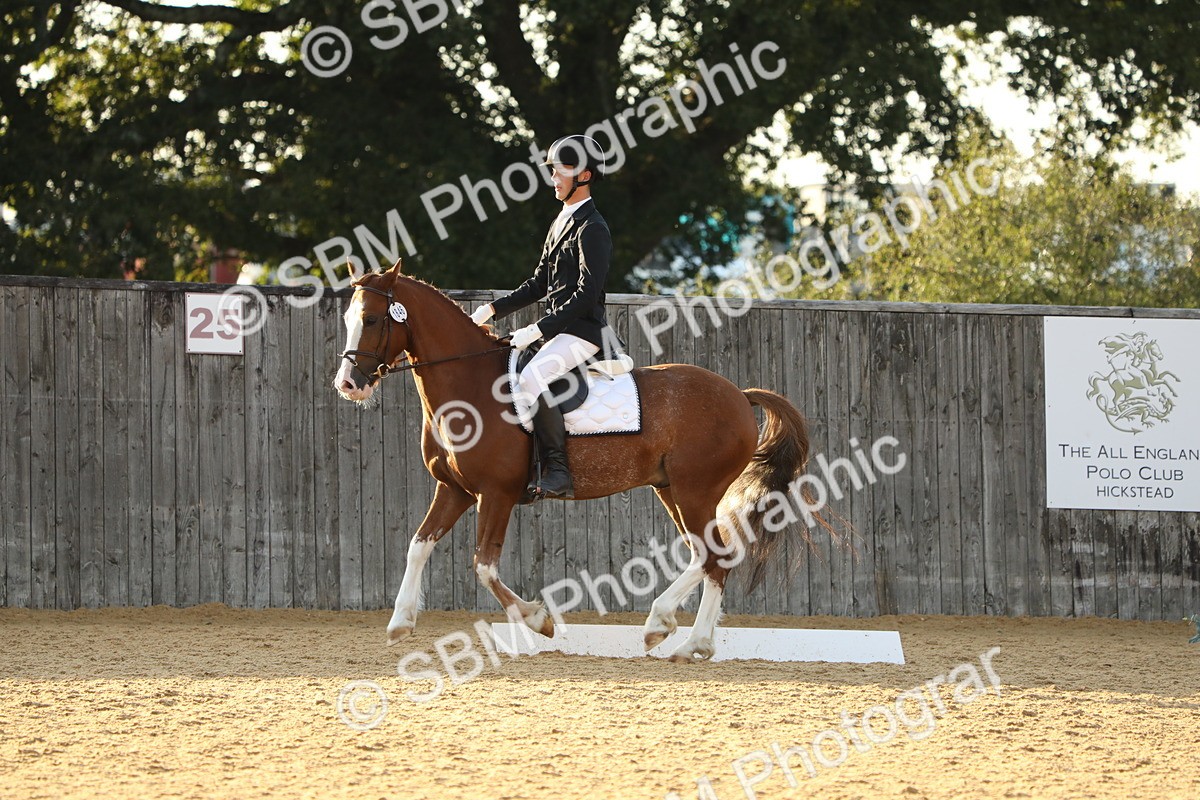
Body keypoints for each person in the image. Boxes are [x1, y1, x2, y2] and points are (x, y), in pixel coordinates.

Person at [469, 134, 612, 500]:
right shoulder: (561, 222)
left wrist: (536, 329)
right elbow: (537, 284)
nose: (553, 178)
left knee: (532, 376)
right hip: (559, 332)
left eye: (560, 171)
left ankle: (558, 470)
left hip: (583, 333)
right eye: (552, 171)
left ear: (583, 175)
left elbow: (587, 294)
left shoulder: (593, 228)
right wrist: (492, 309)